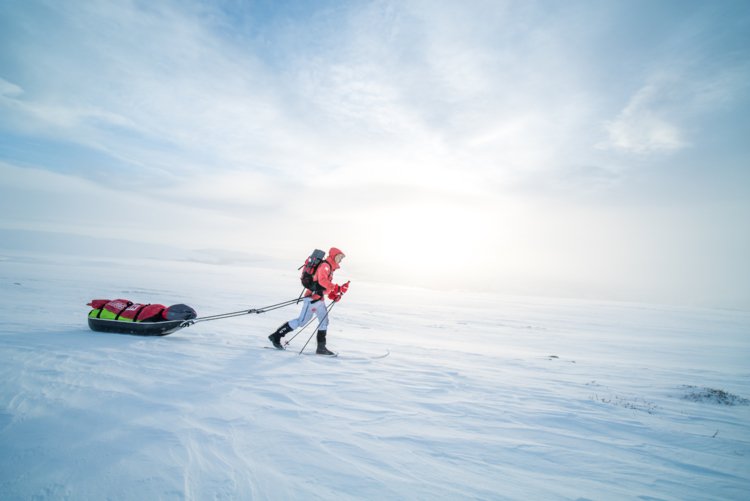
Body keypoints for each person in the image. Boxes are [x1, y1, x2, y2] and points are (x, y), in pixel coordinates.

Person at [268, 247, 348, 354]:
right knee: (302, 321)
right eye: (339, 257)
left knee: (324, 322)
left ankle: (321, 348)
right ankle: (276, 336)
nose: (341, 259)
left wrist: (334, 296)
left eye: (342, 258)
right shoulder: (325, 266)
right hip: (312, 299)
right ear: (333, 256)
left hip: (319, 299)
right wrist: (337, 288)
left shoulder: (330, 268)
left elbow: (324, 287)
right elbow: (322, 281)